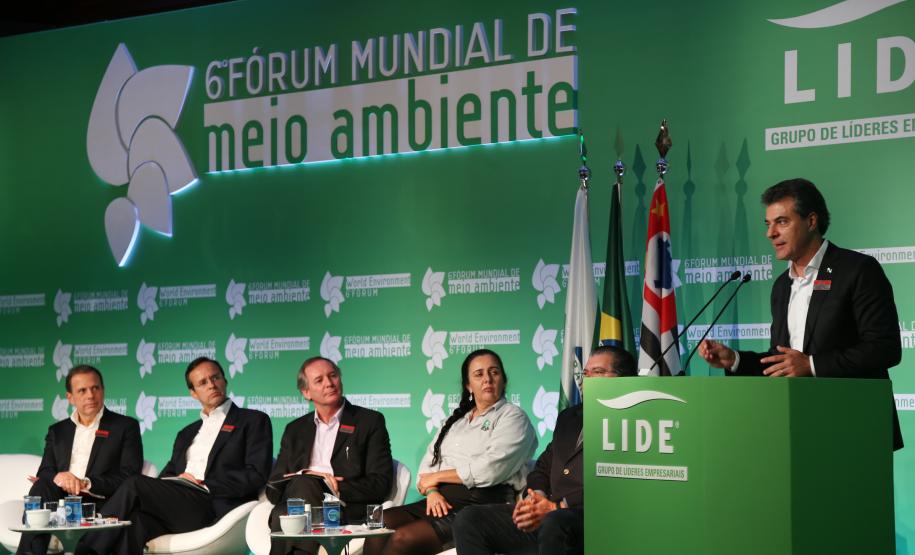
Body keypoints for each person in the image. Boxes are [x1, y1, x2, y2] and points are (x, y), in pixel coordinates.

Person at [699, 178, 903, 450]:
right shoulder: (782, 286)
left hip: (854, 427)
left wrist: (812, 365)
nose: (770, 233)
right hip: (798, 428)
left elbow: (884, 349)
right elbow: (783, 360)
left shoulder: (857, 270)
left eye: (781, 221)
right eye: (768, 224)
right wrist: (734, 359)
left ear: (811, 221)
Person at [76, 357, 273, 555]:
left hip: (213, 504)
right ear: (193, 393)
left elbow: (256, 474)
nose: (212, 385)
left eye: (215, 378)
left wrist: (204, 483)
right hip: (179, 504)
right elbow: (169, 472)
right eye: (203, 383)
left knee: (134, 484)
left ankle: (84, 551)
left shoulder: (253, 420)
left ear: (225, 380)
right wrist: (170, 483)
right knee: (135, 523)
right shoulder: (186, 433)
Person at [452, 345, 637, 555]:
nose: (588, 378)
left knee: (555, 521)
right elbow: (543, 467)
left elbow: (620, 483)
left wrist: (558, 507)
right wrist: (535, 499)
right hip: (551, 516)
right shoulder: (569, 418)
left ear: (624, 379)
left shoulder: (636, 422)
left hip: (596, 519)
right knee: (470, 519)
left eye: (599, 372)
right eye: (586, 373)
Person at [365, 348, 537, 555]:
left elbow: (491, 470)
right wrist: (432, 491)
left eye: (494, 372)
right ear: (468, 385)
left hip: (480, 505)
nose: (487, 379)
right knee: (377, 520)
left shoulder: (513, 417)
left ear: (504, 380)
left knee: (404, 538)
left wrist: (436, 478)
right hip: (439, 500)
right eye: (479, 374)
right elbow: (426, 468)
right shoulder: (454, 421)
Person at [267, 356, 393, 555]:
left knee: (285, 513)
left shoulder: (369, 421)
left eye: (333, 376)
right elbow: (273, 488)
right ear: (306, 392)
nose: (329, 383)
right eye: (319, 380)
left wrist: (335, 486)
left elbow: (381, 483)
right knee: (302, 487)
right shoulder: (295, 429)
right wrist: (307, 482)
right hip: (301, 505)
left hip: (343, 508)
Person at [18, 365, 143, 555]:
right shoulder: (57, 431)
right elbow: (45, 470)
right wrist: (61, 477)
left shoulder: (125, 426)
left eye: (95, 388)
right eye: (82, 390)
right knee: (42, 485)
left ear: (103, 390)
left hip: (101, 502)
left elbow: (130, 475)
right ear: (70, 397)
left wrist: (85, 483)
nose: (90, 395)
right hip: (61, 502)